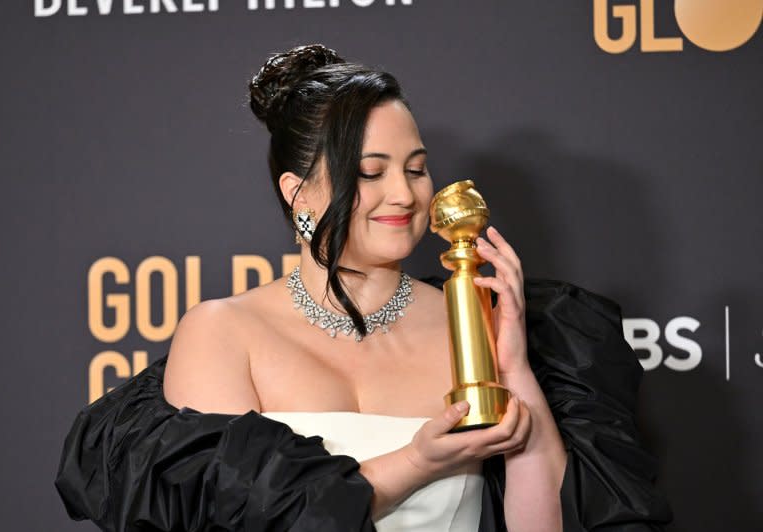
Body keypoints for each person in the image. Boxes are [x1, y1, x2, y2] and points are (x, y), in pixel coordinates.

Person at [55, 44, 673, 532]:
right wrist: (418, 464)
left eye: (416, 168)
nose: (404, 195)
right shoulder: (224, 333)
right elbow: (230, 517)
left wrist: (512, 361)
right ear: (298, 193)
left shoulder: (468, 320)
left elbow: (544, 527)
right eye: (369, 173)